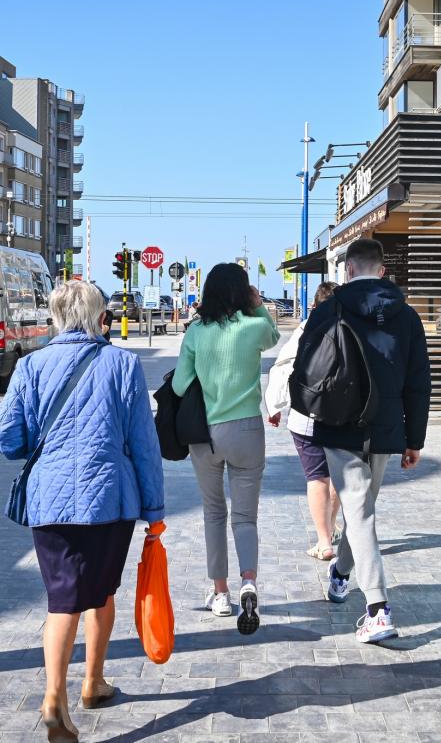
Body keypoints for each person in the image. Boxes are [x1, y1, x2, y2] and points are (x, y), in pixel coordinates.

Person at [0, 280, 165, 743]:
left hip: (48, 501)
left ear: (55, 318)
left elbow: (4, 437)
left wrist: (46, 450)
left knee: (62, 597)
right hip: (110, 500)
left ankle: (58, 694)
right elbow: (144, 445)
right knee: (101, 591)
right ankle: (89, 684)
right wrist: (155, 509)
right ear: (99, 318)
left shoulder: (30, 366)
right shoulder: (123, 365)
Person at [298, 238, 430, 644]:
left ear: (349, 270)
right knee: (361, 509)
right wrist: (414, 438)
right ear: (383, 271)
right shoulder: (407, 317)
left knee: (360, 511)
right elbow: (418, 381)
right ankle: (340, 575)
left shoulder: (331, 309)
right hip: (387, 425)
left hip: (340, 424)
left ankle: (378, 609)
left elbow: (306, 363)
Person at [173, 263, 280, 635]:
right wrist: (258, 304)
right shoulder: (254, 328)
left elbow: (181, 384)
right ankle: (248, 581)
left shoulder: (196, 332)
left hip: (207, 432)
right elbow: (273, 336)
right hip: (248, 429)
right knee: (246, 517)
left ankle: (220, 593)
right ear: (243, 292)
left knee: (214, 512)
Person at [264, 281, 341, 561]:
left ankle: (324, 541)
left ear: (315, 305)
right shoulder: (351, 328)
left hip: (306, 415)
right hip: (343, 417)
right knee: (337, 476)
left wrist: (274, 406)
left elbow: (284, 366)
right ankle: (330, 528)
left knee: (317, 478)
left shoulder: (306, 328)